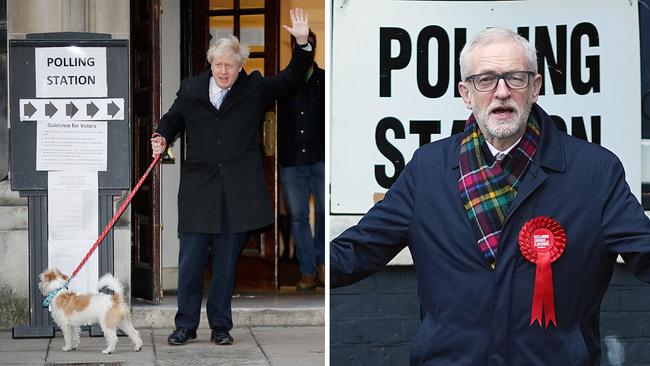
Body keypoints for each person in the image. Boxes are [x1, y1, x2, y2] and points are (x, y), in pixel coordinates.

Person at [330, 27, 650, 365]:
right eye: (485, 80)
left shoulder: (595, 172)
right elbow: (355, 252)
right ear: (466, 94)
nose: (501, 92)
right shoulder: (427, 171)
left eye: (515, 78)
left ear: (536, 88)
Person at [151, 8, 312, 346]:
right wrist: (161, 136)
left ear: (240, 67)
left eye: (230, 66)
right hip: (199, 190)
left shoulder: (253, 89)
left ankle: (221, 326)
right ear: (211, 65)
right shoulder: (192, 89)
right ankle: (185, 325)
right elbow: (171, 118)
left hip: (236, 193)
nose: (224, 71)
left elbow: (292, 78)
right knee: (191, 263)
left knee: (225, 265)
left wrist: (301, 43)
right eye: (219, 65)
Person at [277, 30, 325, 291]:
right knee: (298, 217)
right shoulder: (284, 82)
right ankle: (306, 271)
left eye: (309, 44)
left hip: (320, 159)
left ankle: (322, 265)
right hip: (291, 161)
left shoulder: (325, 81)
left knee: (322, 214)